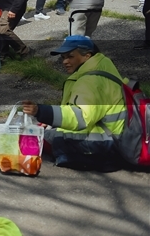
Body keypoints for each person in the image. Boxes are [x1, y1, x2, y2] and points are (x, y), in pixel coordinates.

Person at [21, 36, 127, 170]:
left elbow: (80, 117)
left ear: (87, 56)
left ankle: (85, 159)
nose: (65, 61)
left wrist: (41, 111)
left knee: (40, 136)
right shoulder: (104, 66)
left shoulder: (90, 81)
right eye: (63, 57)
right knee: (47, 129)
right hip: (116, 135)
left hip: (107, 142)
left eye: (70, 56)